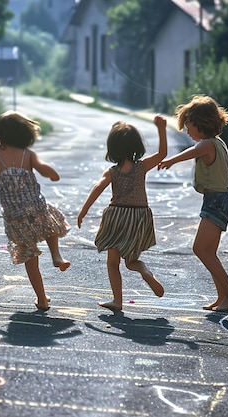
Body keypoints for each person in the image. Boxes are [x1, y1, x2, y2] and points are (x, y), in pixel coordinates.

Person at [0, 111, 70, 310]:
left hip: (14, 216)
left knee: (29, 257)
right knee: (50, 223)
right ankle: (56, 256)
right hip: (35, 207)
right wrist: (51, 174)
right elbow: (48, 171)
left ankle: (42, 299)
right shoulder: (28, 155)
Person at [158, 95, 228, 312]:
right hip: (217, 201)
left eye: (188, 126)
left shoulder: (207, 144)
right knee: (209, 252)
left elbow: (192, 152)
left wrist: (170, 160)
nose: (187, 132)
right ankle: (222, 296)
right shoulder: (218, 143)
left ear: (201, 124)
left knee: (200, 249)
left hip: (217, 202)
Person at [77, 116, 168, 311]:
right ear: (136, 145)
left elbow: (98, 187)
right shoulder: (141, 167)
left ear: (112, 148)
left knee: (113, 263)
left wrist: (83, 211)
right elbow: (162, 154)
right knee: (131, 261)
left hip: (117, 216)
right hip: (139, 216)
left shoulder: (112, 172)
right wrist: (161, 128)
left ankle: (117, 301)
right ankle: (143, 270)